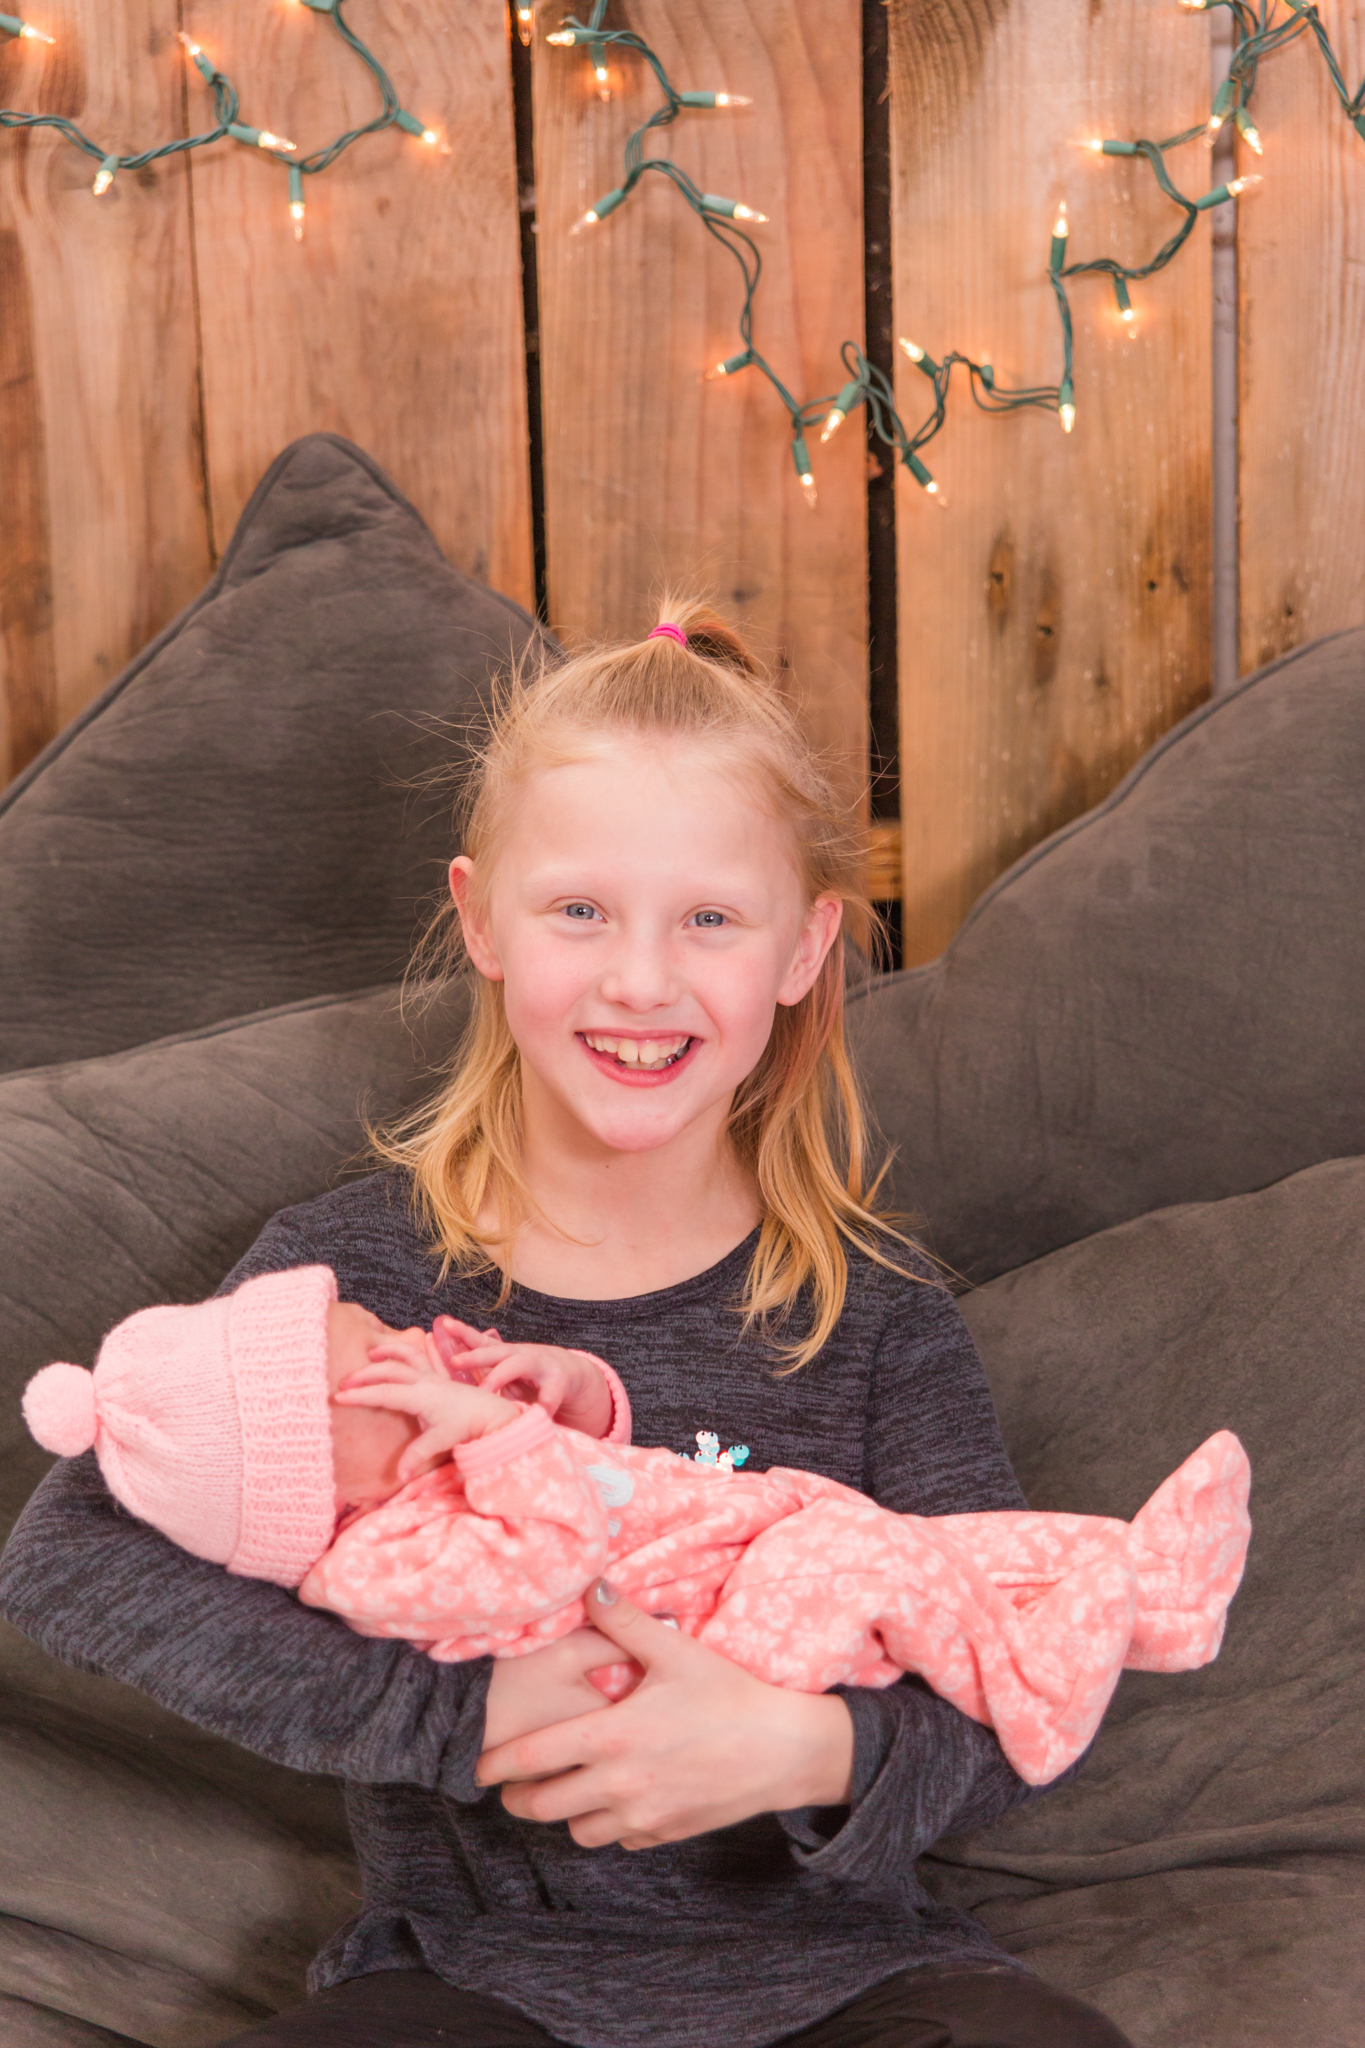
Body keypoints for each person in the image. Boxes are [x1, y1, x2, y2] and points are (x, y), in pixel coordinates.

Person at [0, 602, 1148, 2047]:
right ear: (482, 918)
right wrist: (458, 1718)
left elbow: (1015, 1644)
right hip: (470, 1980)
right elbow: (67, 1559)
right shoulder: (347, 1284)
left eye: (709, 919)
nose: (640, 980)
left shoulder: (874, 1312)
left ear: (804, 948)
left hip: (844, 1977)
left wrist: (810, 1744)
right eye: (580, 910)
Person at [21, 1268, 1251, 1791]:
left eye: (380, 1323)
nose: (405, 1338)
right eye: (372, 1361)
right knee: (869, 1561)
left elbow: (605, 1475)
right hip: (717, 1643)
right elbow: (552, 1551)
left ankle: (1145, 1589)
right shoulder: (377, 1558)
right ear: (311, 1479)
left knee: (949, 1545)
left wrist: (565, 1392)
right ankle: (1036, 1691)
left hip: (748, 1551)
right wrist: (496, 1441)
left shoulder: (888, 1314)